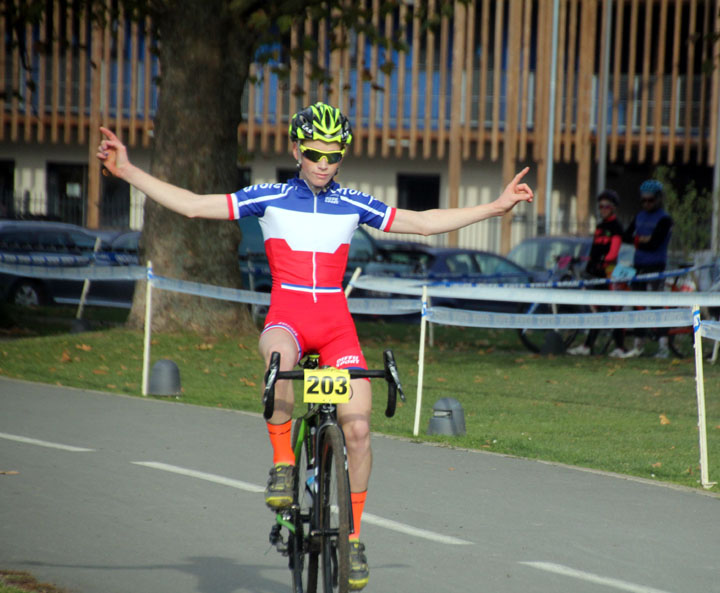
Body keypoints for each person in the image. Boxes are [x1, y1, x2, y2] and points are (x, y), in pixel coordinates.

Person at [96, 101, 533, 590]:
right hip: (288, 318)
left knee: (360, 431)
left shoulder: (354, 203)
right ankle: (284, 466)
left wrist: (496, 206)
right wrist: (128, 169)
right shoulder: (270, 196)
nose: (323, 163)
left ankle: (354, 538)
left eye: (333, 154)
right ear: (295, 149)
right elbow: (195, 205)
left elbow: (423, 221)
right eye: (313, 153)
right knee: (279, 362)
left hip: (336, 327)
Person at [611, 179, 673, 359]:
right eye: (643, 201)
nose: (646, 204)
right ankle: (638, 345)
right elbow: (626, 236)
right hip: (639, 265)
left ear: (658, 199)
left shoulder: (664, 219)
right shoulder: (639, 216)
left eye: (650, 200)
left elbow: (654, 243)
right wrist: (642, 240)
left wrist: (640, 240)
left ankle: (663, 347)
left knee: (657, 306)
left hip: (656, 265)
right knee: (639, 306)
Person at [567, 189, 624, 356]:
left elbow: (613, 252)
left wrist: (604, 262)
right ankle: (588, 346)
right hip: (597, 274)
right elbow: (594, 250)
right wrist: (588, 263)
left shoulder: (616, 227)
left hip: (609, 273)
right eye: (600, 207)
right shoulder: (600, 227)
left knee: (614, 310)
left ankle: (620, 347)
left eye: (606, 206)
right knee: (597, 311)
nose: (603, 209)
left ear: (613, 208)